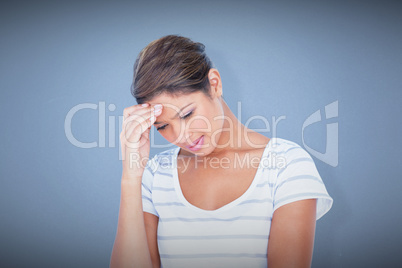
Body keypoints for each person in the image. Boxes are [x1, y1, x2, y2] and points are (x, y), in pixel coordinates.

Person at [110, 35, 333, 268]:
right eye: (163, 126)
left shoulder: (286, 165)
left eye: (187, 114)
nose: (180, 136)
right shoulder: (156, 174)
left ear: (214, 84)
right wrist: (131, 175)